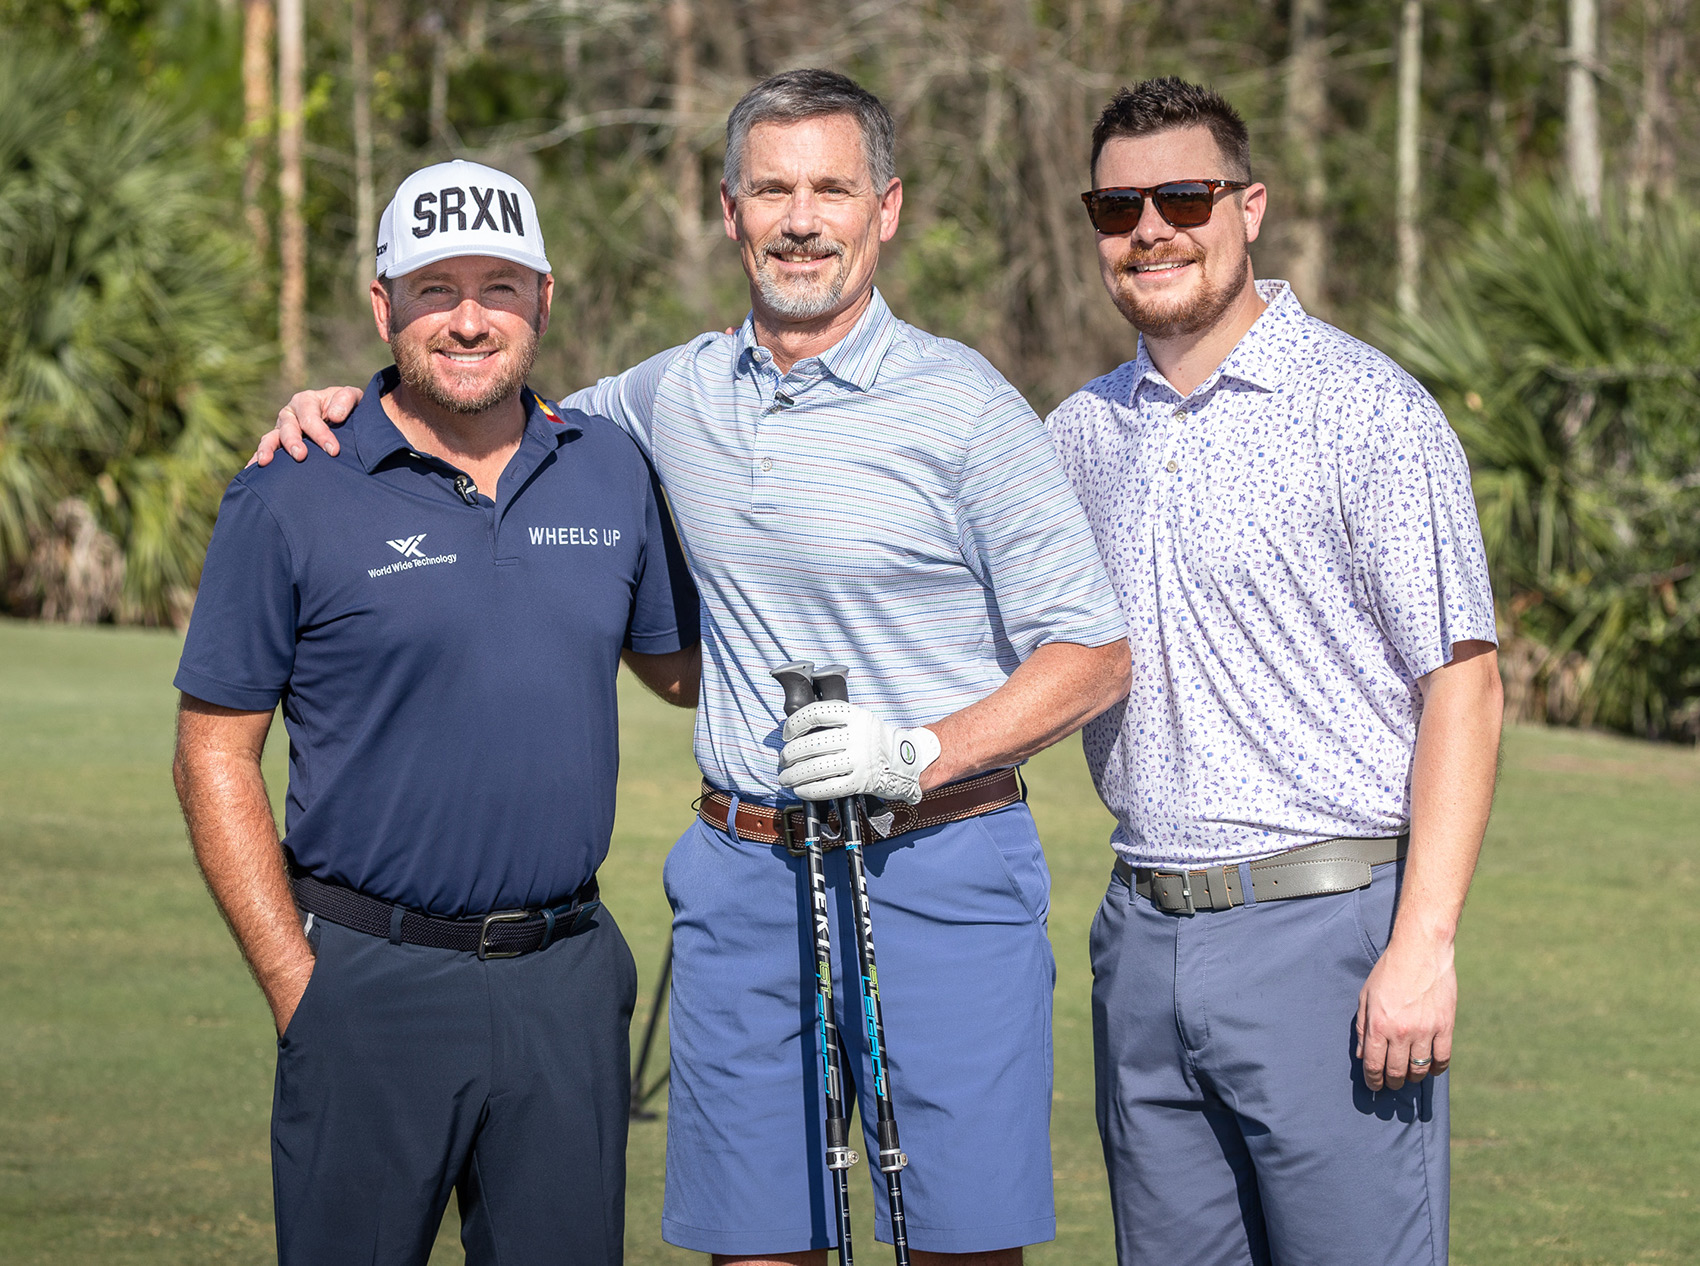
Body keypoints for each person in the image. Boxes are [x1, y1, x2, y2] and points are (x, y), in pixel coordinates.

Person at [256, 70, 1132, 1266]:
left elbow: (1093, 655)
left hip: (937, 865)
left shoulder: (964, 406)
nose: (800, 217)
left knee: (958, 1243)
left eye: (830, 187)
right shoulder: (661, 397)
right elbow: (483, 394)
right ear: (728, 211)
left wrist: (919, 752)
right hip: (743, 877)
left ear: (886, 208)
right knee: (754, 1247)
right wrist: (351, 406)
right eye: (770, 188)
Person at [173, 159, 701, 1266]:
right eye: (434, 289)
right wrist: (294, 985)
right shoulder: (291, 486)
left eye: (499, 287)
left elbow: (685, 674)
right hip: (367, 980)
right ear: (383, 307)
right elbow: (213, 755)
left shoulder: (608, 468)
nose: (469, 319)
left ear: (543, 300)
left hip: (565, 978)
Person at [1046, 78, 1504, 1265]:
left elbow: (1461, 682)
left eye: (1182, 196)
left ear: (1247, 207)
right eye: (1115, 206)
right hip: (1139, 936)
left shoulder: (1364, 409)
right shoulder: (1077, 436)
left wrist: (1423, 946)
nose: (1148, 228)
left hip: (1327, 936)